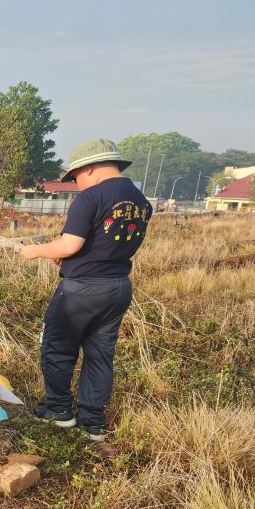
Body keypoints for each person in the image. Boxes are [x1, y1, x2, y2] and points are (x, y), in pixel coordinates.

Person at [19, 138, 151, 441]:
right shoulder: (141, 201)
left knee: (56, 347)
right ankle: (93, 421)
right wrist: (70, 256)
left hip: (81, 289)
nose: (76, 184)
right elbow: (106, 244)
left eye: (75, 176)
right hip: (117, 287)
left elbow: (70, 243)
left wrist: (35, 251)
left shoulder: (90, 198)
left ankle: (59, 410)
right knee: (99, 353)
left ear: (89, 168)